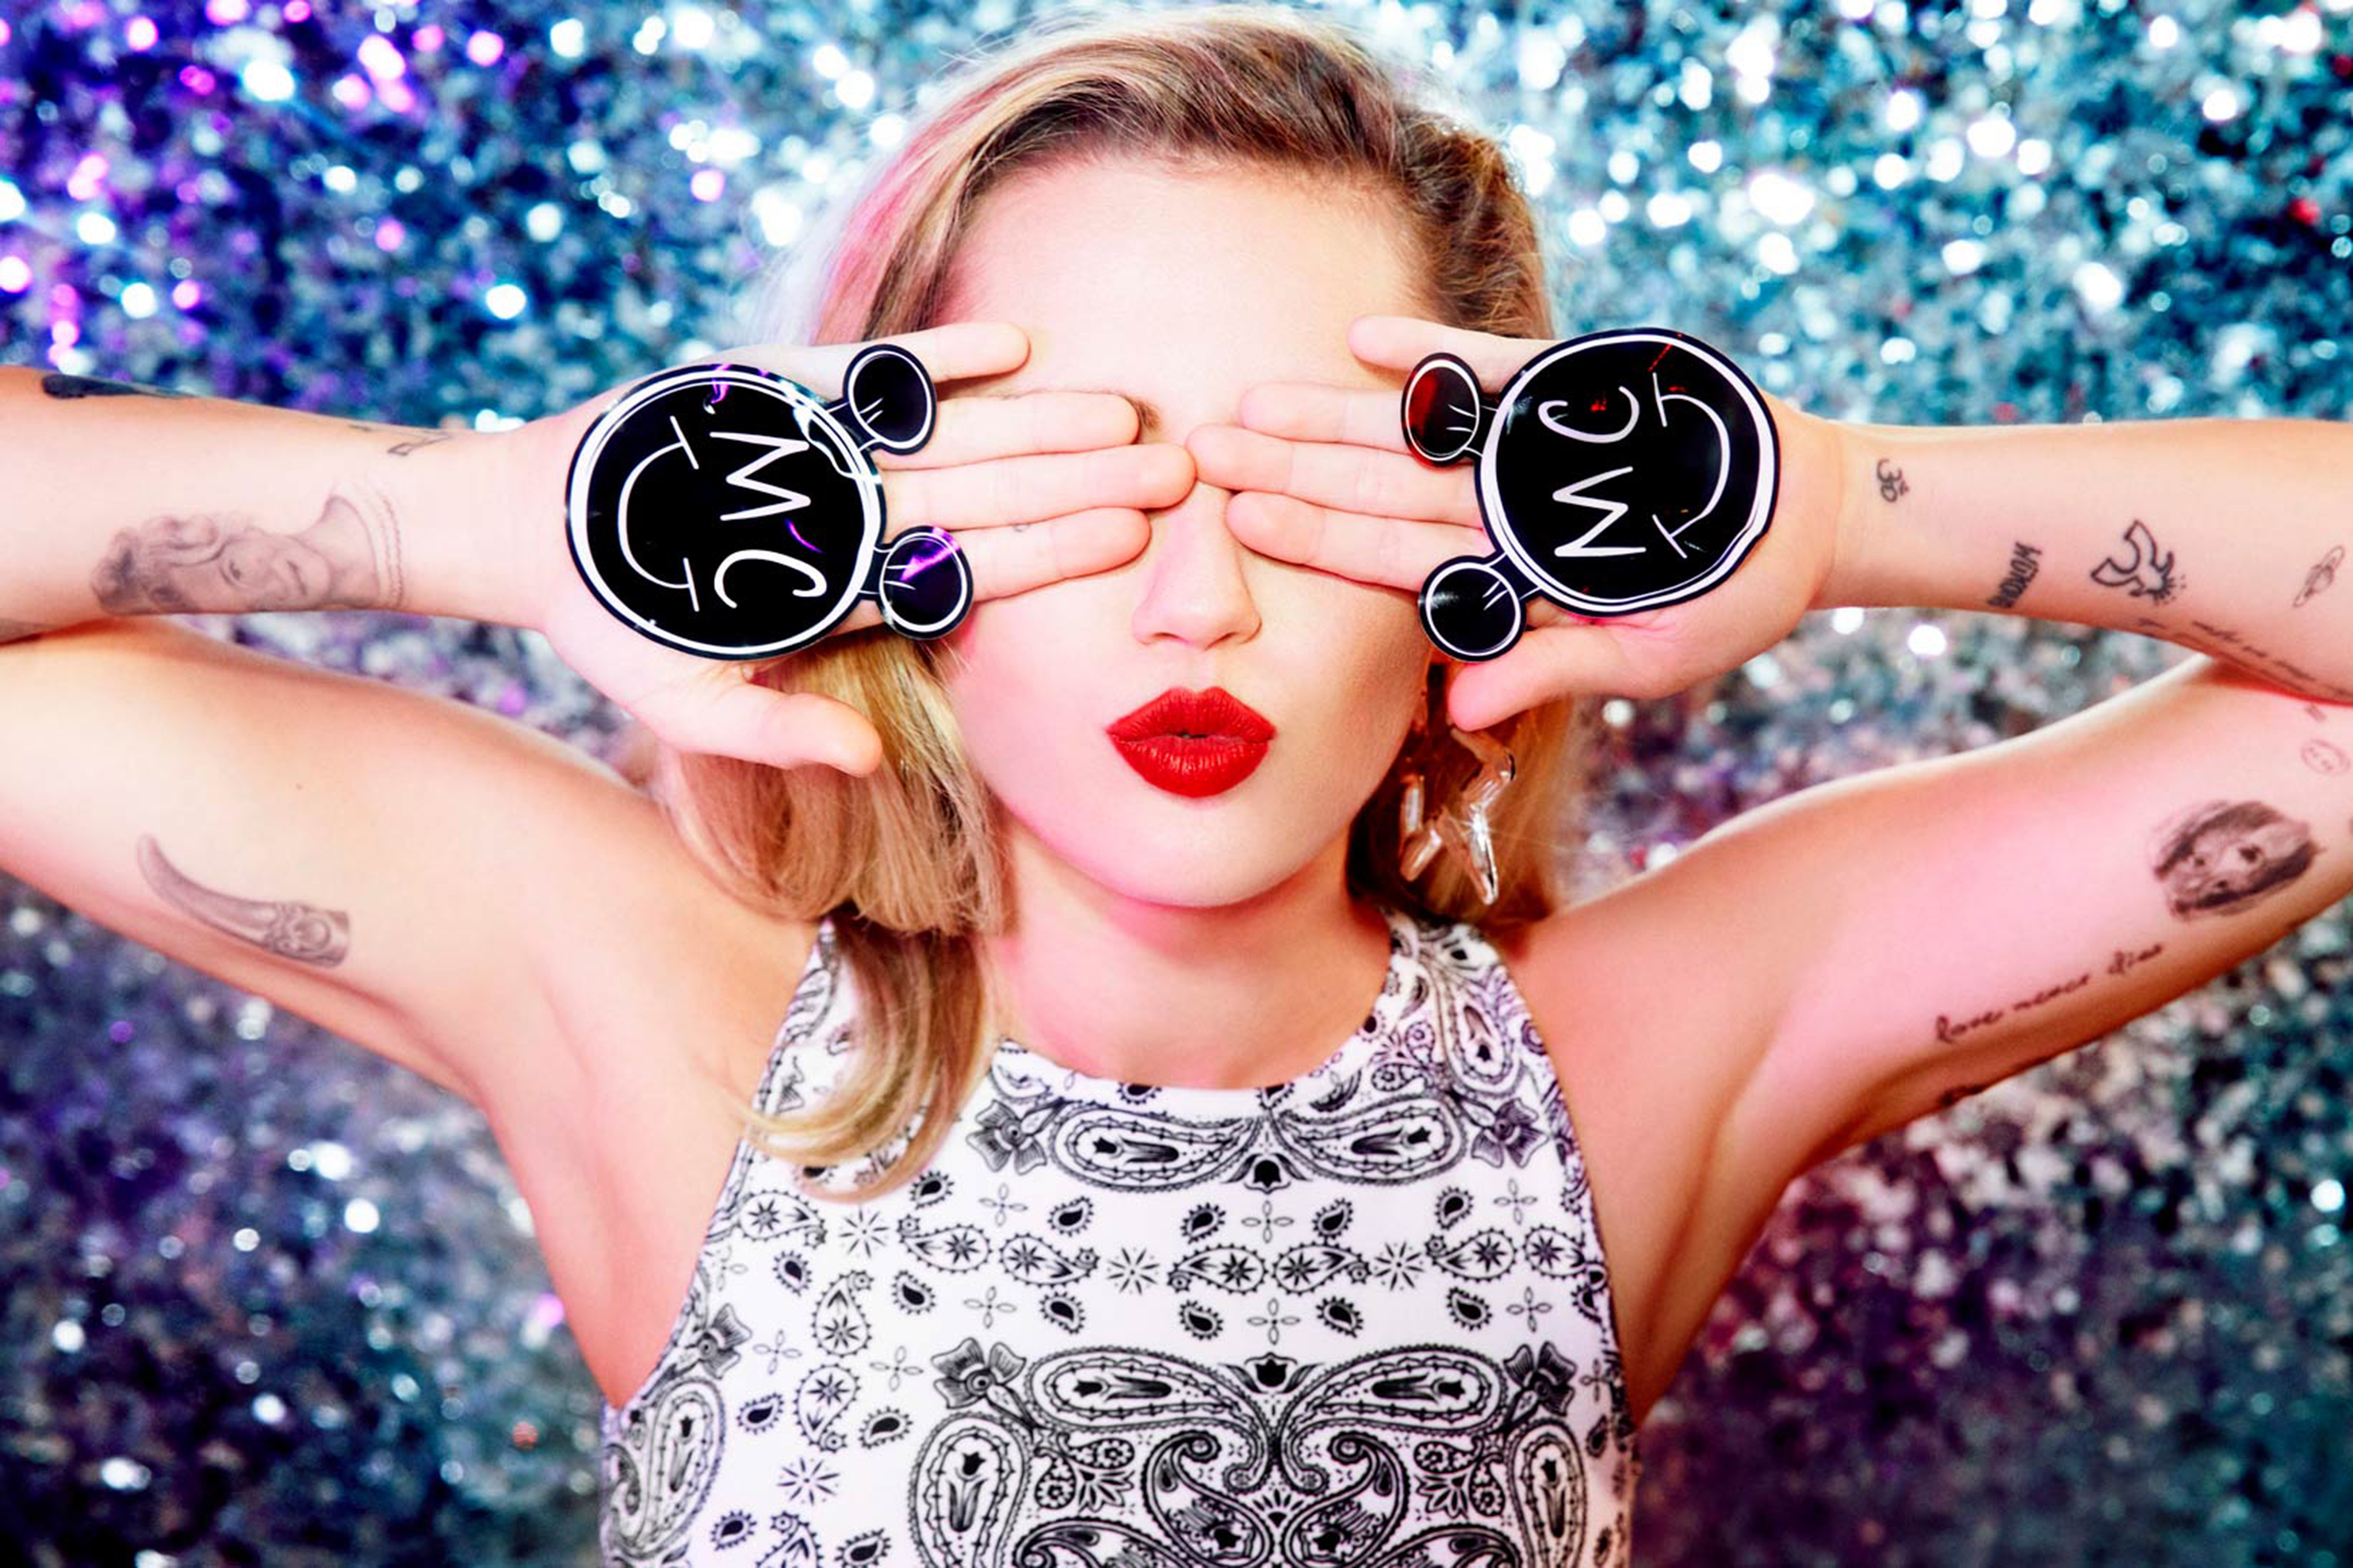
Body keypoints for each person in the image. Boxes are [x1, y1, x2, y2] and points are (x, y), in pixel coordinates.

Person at [4, 5, 2350, 1564]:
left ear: (1497, 544)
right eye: (1086, 484)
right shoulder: (655, 1005)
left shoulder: (1637, 1063)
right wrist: (499, 518)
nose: (1193, 602)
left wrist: (1835, 510)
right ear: (877, 540)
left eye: (1290, 494)